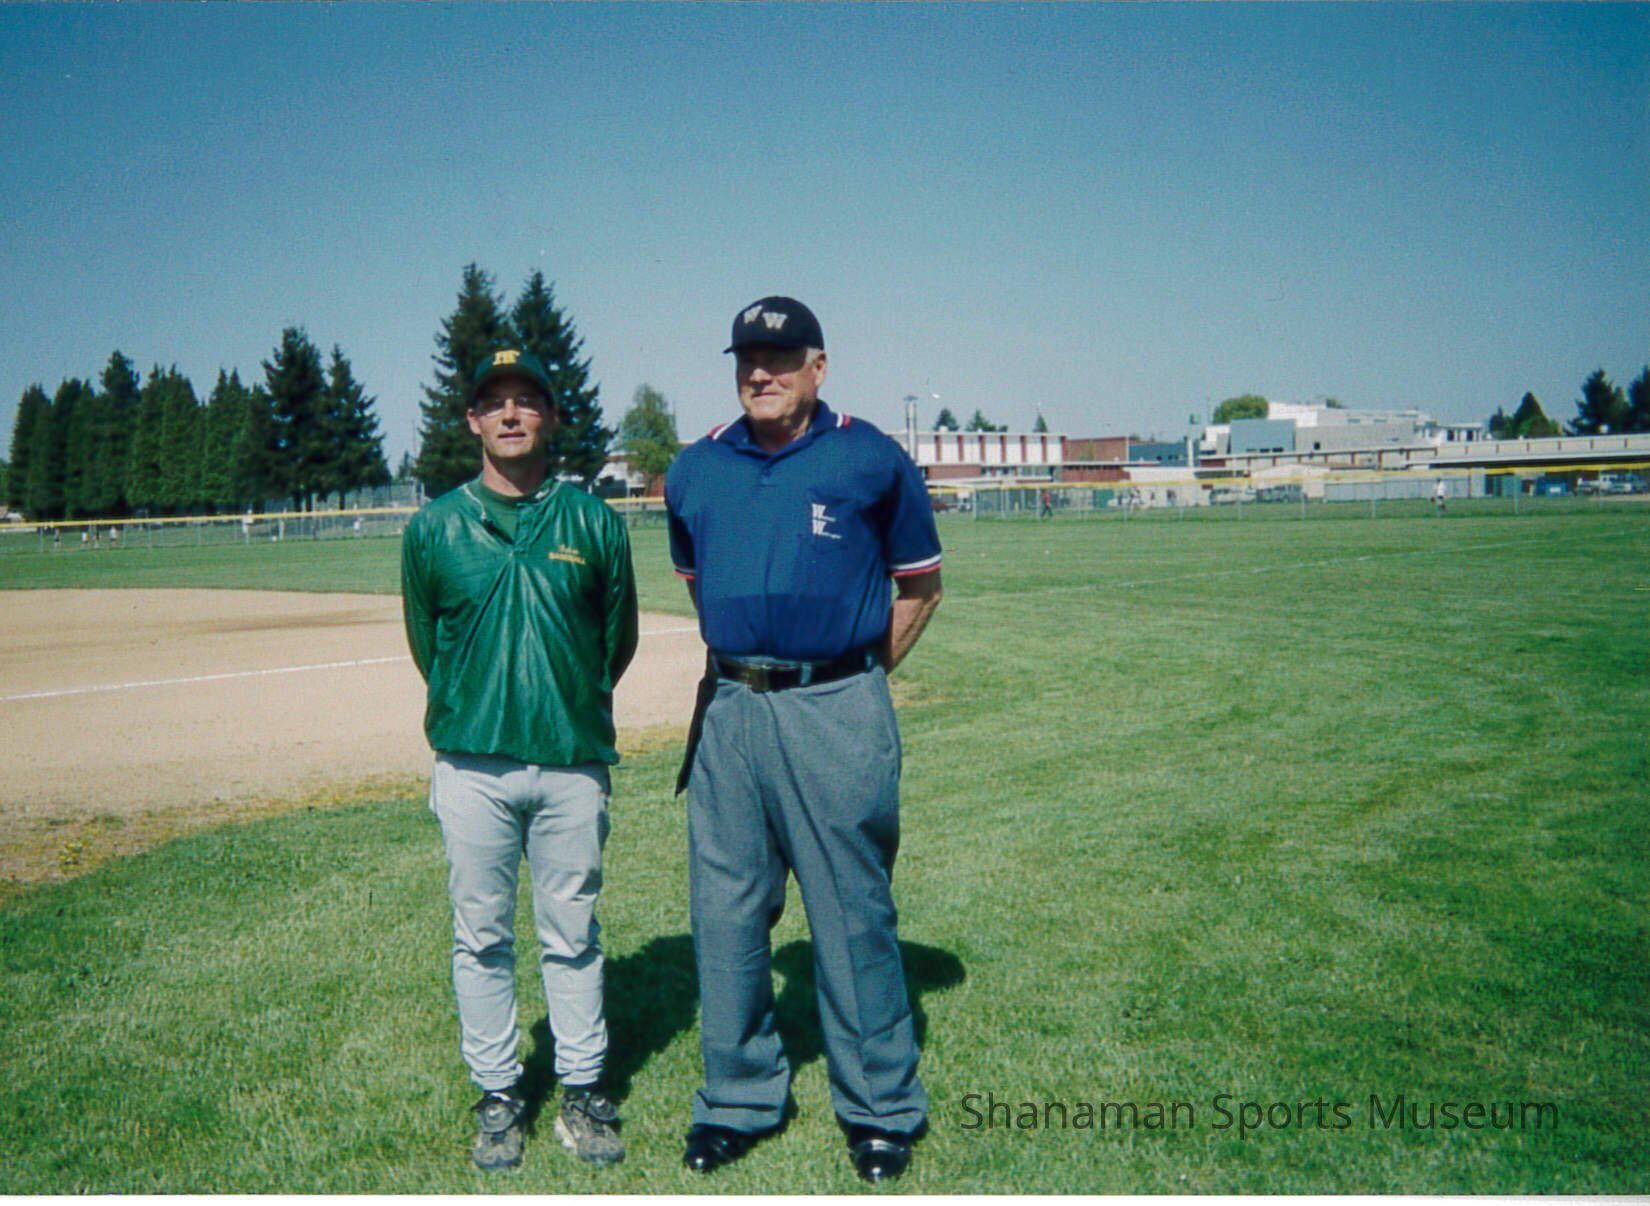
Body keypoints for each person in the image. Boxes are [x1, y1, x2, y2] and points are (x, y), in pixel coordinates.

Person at [665, 297, 943, 1183]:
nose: (762, 372)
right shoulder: (696, 468)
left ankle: (880, 1108)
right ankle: (737, 1098)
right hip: (730, 708)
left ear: (818, 367)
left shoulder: (869, 457)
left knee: (851, 910)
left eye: (782, 358)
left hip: (835, 708)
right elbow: (698, 579)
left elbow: (920, 585)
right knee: (726, 910)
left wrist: (848, 679)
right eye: (748, 357)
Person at [401, 348, 639, 1172]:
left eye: (526, 400)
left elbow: (616, 642)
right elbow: (428, 644)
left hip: (571, 761)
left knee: (573, 934)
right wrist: (480, 702)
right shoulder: (435, 527)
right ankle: (499, 1095)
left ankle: (582, 1090)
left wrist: (565, 699)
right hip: (473, 763)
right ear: (472, 420)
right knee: (482, 937)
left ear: (551, 416)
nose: (510, 414)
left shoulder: (593, 522)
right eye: (494, 402)